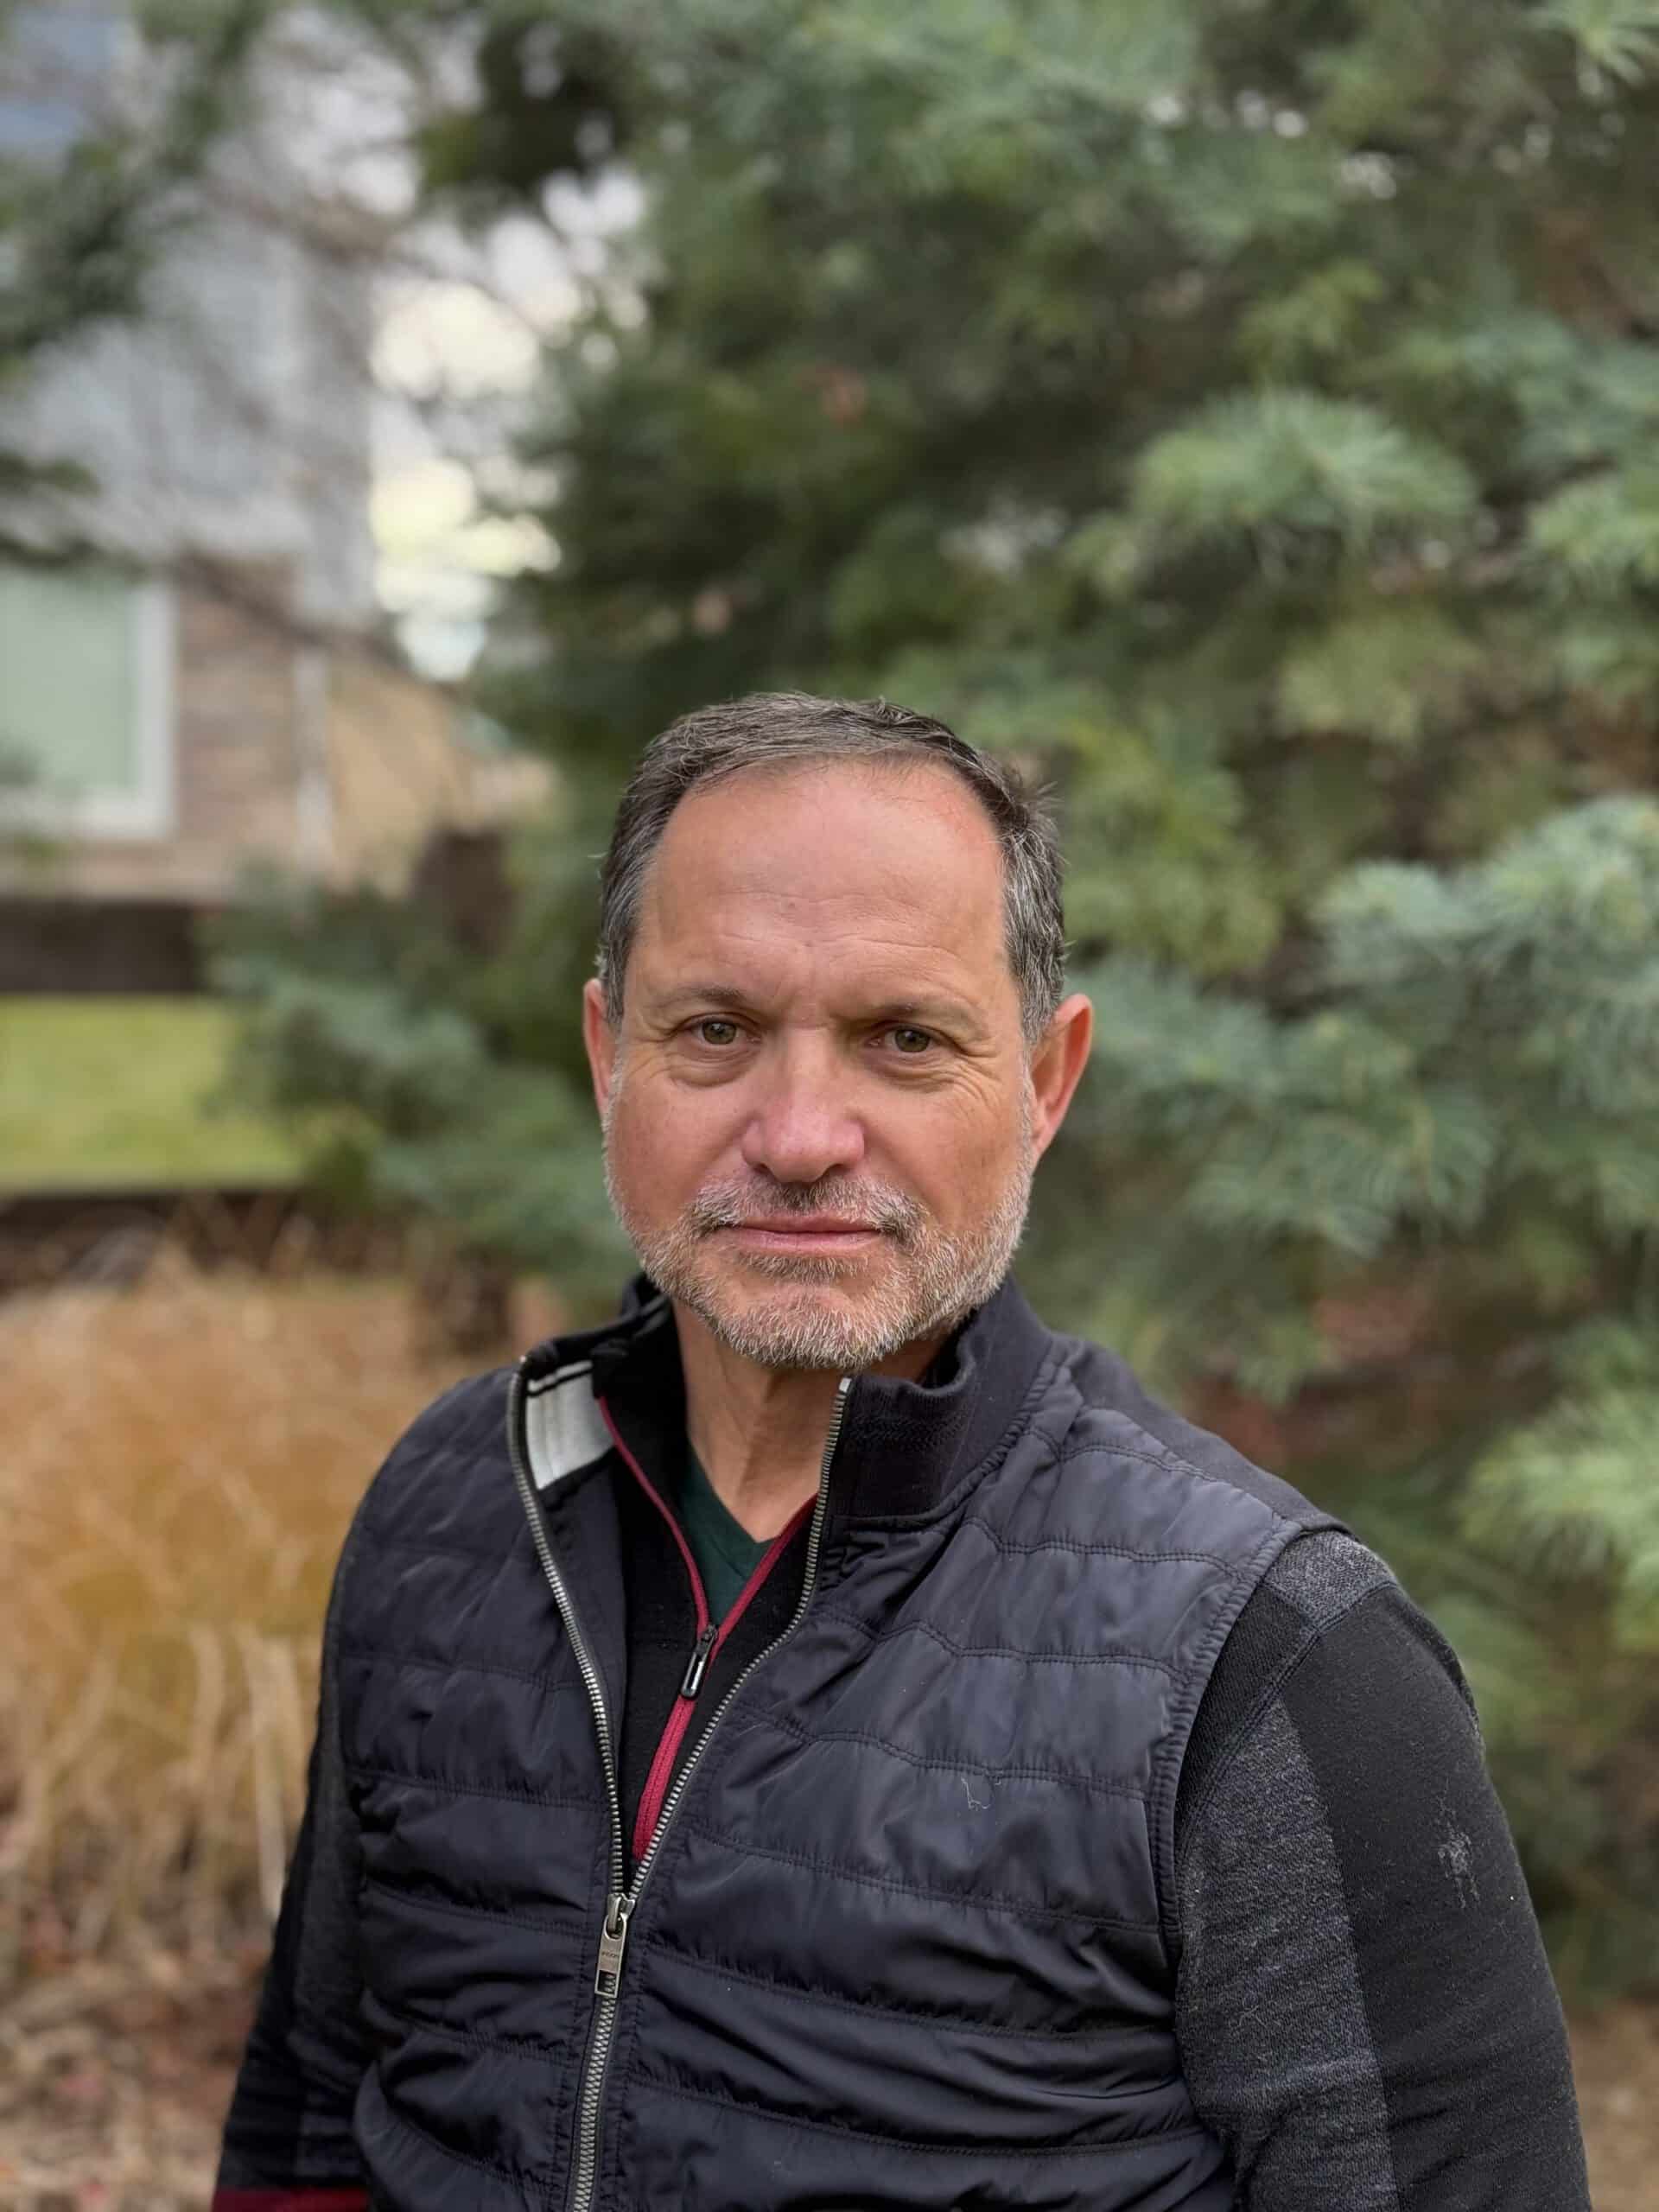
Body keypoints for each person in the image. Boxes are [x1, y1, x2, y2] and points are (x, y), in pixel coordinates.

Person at [217, 692, 1589, 2211]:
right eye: (717, 1029)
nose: (801, 1132)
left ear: (1046, 1082)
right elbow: (312, 2116)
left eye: (904, 1038)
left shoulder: (1275, 1658)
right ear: (612, 1052)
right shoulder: (453, 1507)